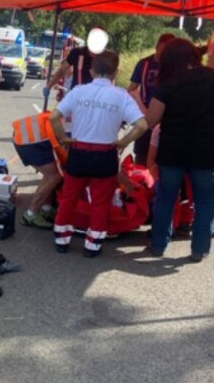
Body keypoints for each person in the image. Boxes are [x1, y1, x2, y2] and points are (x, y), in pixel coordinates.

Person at [48, 50, 148, 258]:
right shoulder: (121, 96)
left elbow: (54, 117)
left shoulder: (78, 91)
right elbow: (142, 125)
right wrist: (123, 142)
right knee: (100, 202)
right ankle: (92, 245)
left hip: (78, 151)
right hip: (105, 155)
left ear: (92, 71)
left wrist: (63, 139)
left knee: (69, 197)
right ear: (115, 72)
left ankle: (61, 239)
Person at [147, 38, 214, 262]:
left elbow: (151, 119)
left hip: (173, 149)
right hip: (207, 149)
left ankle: (158, 244)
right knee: (204, 200)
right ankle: (200, 249)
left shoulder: (168, 82)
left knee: (166, 197)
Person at [128, 33, 176, 165]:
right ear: (158, 46)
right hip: (145, 119)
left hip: (166, 121)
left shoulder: (174, 67)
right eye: (165, 47)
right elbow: (132, 88)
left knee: (162, 159)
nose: (167, 52)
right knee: (141, 156)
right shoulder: (144, 64)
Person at [12, 112, 64, 228]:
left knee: (50, 174)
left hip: (28, 133)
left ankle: (46, 209)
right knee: (54, 176)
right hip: (29, 139)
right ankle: (30, 214)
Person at [43, 27, 109, 100]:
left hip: (98, 98)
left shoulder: (106, 57)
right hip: (77, 97)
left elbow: (111, 78)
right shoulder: (77, 52)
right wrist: (49, 86)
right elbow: (62, 70)